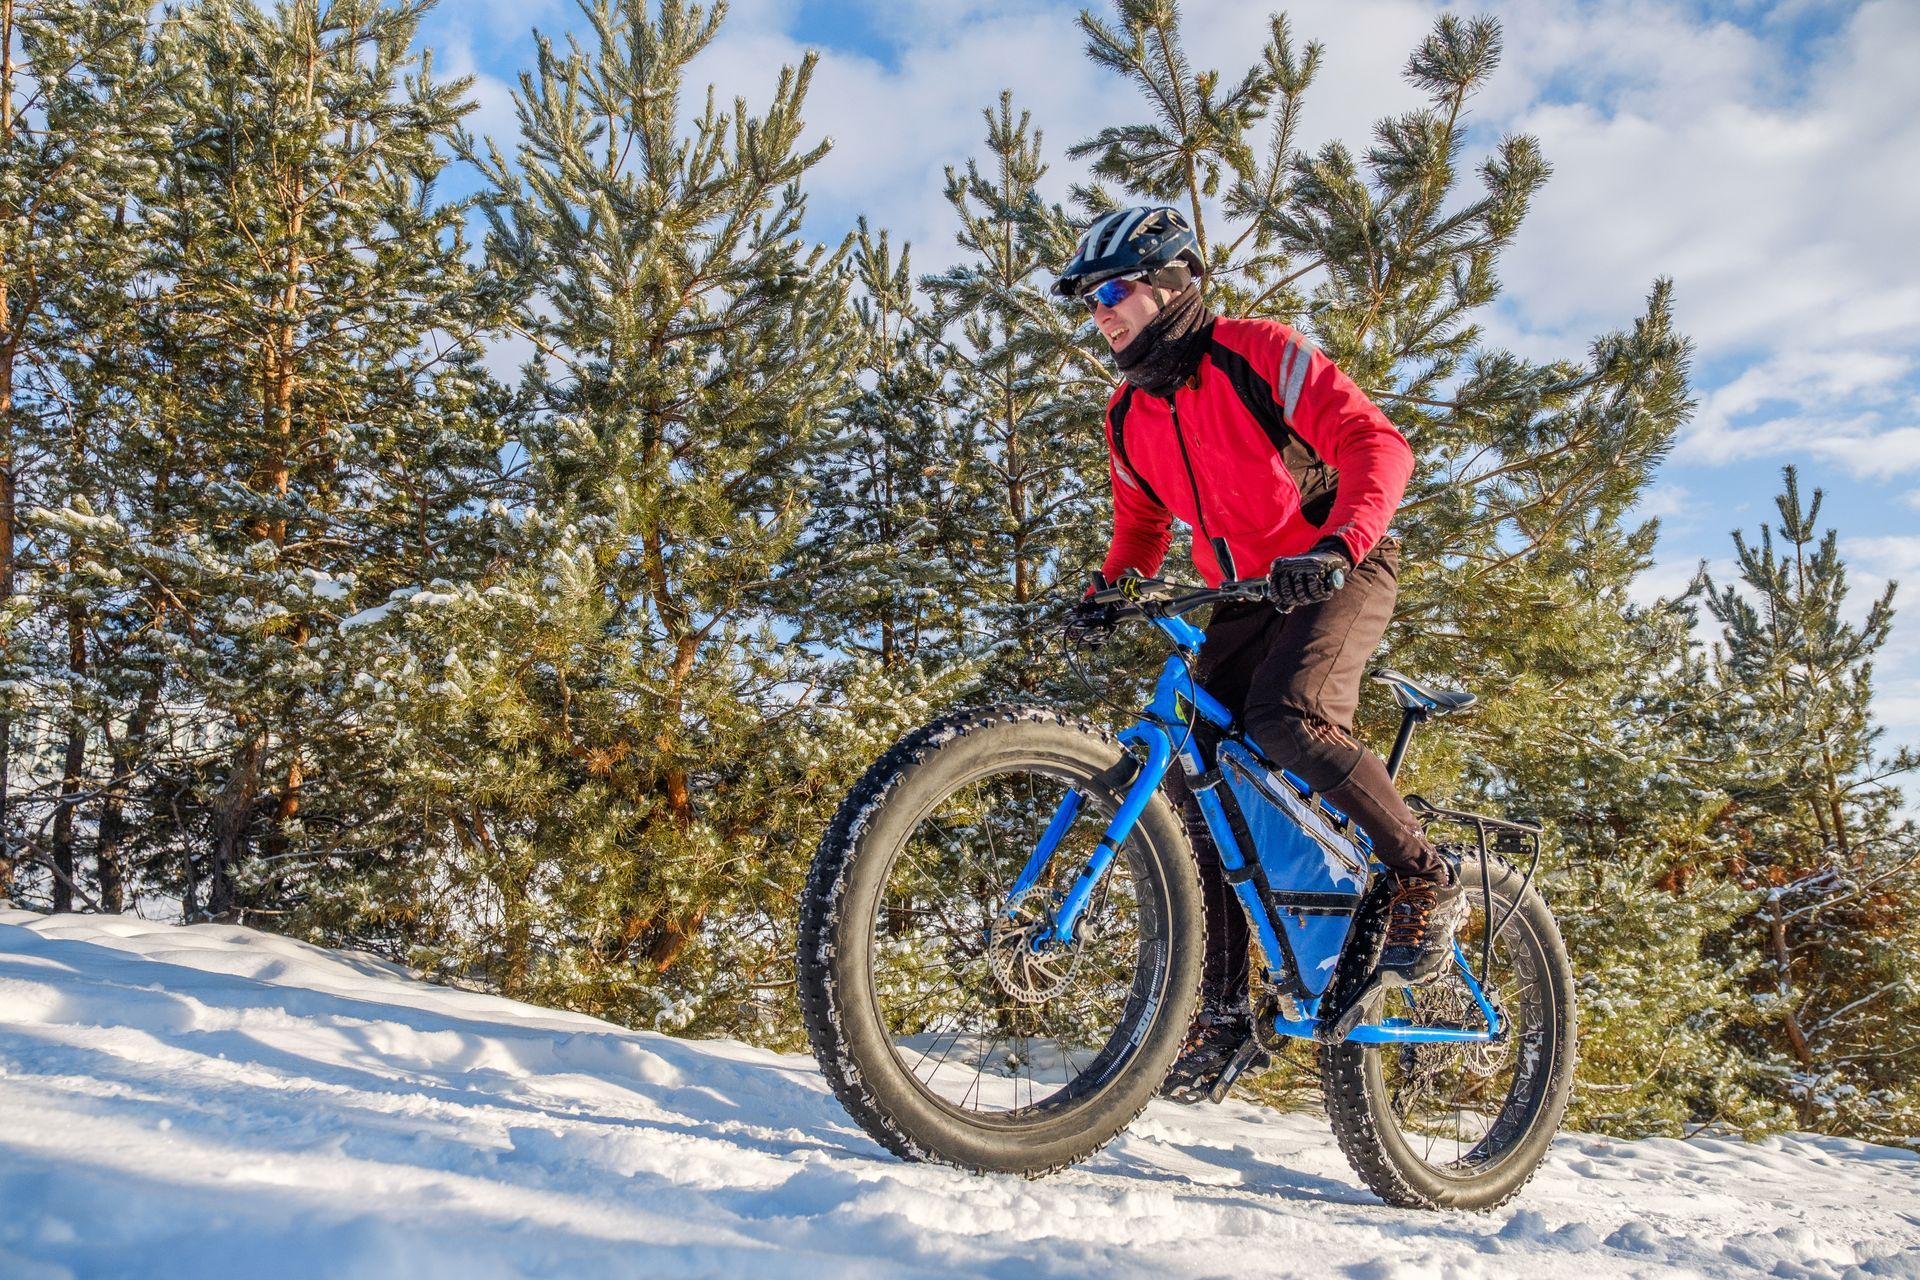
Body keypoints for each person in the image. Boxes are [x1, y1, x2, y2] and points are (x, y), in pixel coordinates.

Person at [1055, 205, 1466, 1101]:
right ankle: (1225, 1013)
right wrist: (1108, 589)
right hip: (1242, 593)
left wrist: (1338, 546)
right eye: (1089, 303)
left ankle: (1424, 875)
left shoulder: (1258, 351)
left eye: (1114, 291)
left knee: (1289, 715)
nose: (1102, 314)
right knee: (1201, 784)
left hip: (1339, 560)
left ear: (1173, 282)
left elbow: (1377, 443)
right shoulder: (1128, 414)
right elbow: (1142, 524)